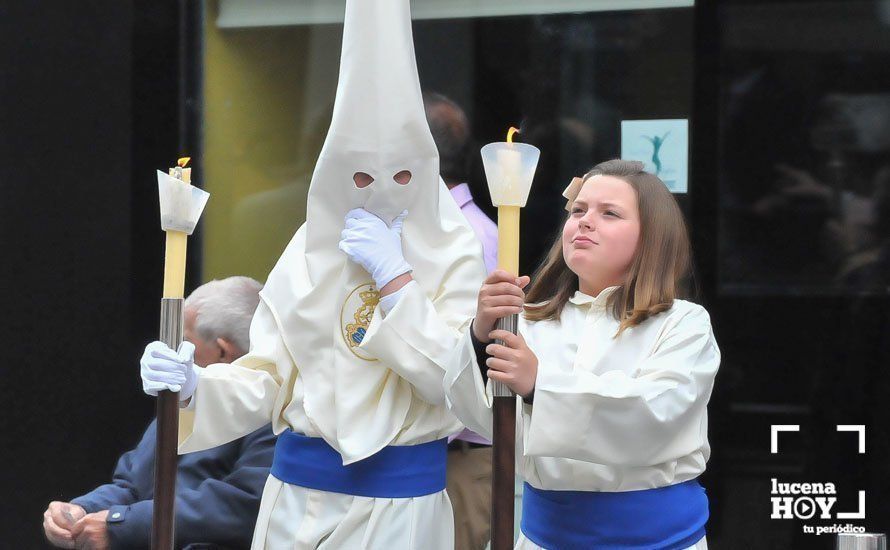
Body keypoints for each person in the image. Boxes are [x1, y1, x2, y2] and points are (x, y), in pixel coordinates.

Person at [139, 0, 485, 548]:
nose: (379, 190)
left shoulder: (451, 250)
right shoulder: (309, 251)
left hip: (400, 513)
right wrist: (193, 387)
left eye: (399, 173)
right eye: (360, 175)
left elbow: (464, 389)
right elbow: (269, 378)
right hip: (294, 505)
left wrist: (397, 283)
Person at [445, 159, 720, 549]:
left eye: (609, 213)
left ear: (652, 236)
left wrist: (541, 386)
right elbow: (474, 416)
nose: (585, 221)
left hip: (658, 541)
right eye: (578, 210)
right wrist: (478, 337)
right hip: (546, 539)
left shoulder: (683, 324)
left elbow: (657, 413)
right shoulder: (528, 321)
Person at [43, 276, 275, 550]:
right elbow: (133, 484)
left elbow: (242, 506)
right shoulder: (182, 397)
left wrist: (122, 525)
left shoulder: (275, 412)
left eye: (186, 341)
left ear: (223, 351)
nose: (176, 352)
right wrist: (80, 510)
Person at [424, 91, 496, 550]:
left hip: (461, 455)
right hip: (431, 454)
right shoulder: (439, 230)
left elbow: (467, 357)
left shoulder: (469, 239)